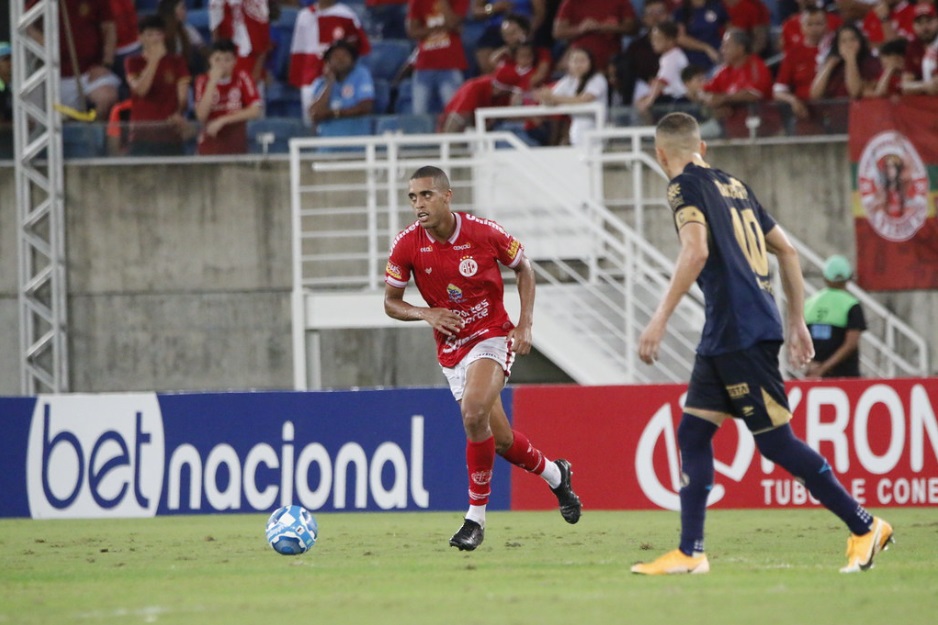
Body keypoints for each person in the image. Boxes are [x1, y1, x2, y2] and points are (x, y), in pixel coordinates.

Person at [631, 111, 893, 575]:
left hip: (740, 328)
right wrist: (796, 321)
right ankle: (691, 552)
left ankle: (864, 525)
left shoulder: (682, 187)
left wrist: (658, 319)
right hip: (730, 329)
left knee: (775, 442)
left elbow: (696, 251)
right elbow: (787, 251)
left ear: (659, 155)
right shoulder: (735, 185)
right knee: (693, 432)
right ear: (702, 148)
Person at [383, 165, 582, 551]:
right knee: (502, 440)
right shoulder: (407, 244)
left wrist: (524, 325)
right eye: (412, 197)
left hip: (491, 335)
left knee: (473, 413)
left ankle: (475, 519)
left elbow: (524, 267)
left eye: (425, 195)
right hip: (451, 348)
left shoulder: (483, 232)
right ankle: (557, 475)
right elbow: (390, 302)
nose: (418, 204)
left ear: (446, 196)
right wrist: (426, 313)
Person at [27, 0, 121, 120]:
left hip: (88, 73)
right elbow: (26, 24)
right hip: (52, 75)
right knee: (31, 110)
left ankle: (94, 133)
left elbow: (109, 29)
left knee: (107, 96)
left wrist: (106, 65)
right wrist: (41, 41)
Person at [125, 14, 192, 156]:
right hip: (142, 134)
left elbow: (183, 98)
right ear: (140, 37)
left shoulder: (177, 62)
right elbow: (141, 90)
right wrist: (154, 60)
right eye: (149, 34)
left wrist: (179, 113)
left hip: (170, 133)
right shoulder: (133, 62)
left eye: (158, 34)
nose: (155, 39)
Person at [194, 38, 263, 154]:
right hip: (210, 145)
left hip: (236, 144)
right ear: (210, 60)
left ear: (235, 61)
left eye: (227, 60)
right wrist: (213, 82)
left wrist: (223, 120)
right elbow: (201, 116)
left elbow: (255, 111)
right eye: (217, 60)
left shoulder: (242, 77)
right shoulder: (202, 80)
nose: (222, 64)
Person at [804, 255, 867, 378]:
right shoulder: (851, 304)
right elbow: (851, 344)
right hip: (844, 376)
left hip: (813, 376)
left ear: (825, 277)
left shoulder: (809, 303)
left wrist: (811, 365)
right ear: (848, 278)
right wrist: (824, 368)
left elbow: (800, 341)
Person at [532, 46, 607, 147]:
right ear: (569, 64)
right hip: (576, 127)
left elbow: (583, 100)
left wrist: (553, 98)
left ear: (591, 62)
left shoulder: (598, 79)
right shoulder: (568, 80)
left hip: (595, 127)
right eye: (575, 61)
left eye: (582, 61)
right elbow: (551, 97)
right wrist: (545, 97)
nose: (578, 65)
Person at [406, 0, 469, 116]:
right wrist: (440, 28)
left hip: (449, 64)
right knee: (419, 116)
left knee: (454, 114)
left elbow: (452, 22)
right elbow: (412, 31)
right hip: (423, 66)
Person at [289, 0, 371, 89]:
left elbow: (360, 47)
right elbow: (298, 48)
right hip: (309, 76)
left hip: (338, 78)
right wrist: (296, 78)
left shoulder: (346, 14)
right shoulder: (304, 15)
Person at [301, 39, 375, 133]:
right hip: (327, 142)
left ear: (352, 60)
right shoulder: (320, 83)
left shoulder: (361, 74)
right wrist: (329, 83)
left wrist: (332, 113)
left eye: (344, 55)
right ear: (328, 62)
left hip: (356, 139)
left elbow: (366, 107)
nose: (340, 59)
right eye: (335, 56)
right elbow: (315, 114)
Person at [552, 0, 637, 72]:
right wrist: (581, 29)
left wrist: (606, 27)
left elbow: (632, 28)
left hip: (609, 64)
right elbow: (557, 32)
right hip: (579, 63)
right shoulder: (571, 2)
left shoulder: (621, 1)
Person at [471, 1, 546, 75]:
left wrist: (529, 31)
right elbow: (476, 12)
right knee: (485, 60)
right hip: (494, 30)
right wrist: (493, 8)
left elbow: (540, 14)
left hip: (522, 28)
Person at [635, 21, 689, 123]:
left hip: (678, 100)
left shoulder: (672, 56)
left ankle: (649, 134)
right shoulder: (669, 56)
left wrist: (648, 101)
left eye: (657, 39)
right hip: (672, 99)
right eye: (652, 39)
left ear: (670, 40)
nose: (653, 42)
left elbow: (662, 82)